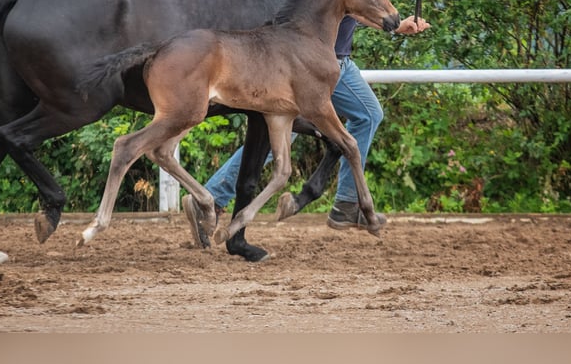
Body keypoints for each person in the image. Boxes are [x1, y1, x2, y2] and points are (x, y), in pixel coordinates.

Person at [183, 13, 431, 248]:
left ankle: (347, 204)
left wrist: (396, 25)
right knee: (277, 138)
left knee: (369, 114)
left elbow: (359, 9)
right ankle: (212, 198)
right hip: (310, 65)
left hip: (339, 63)